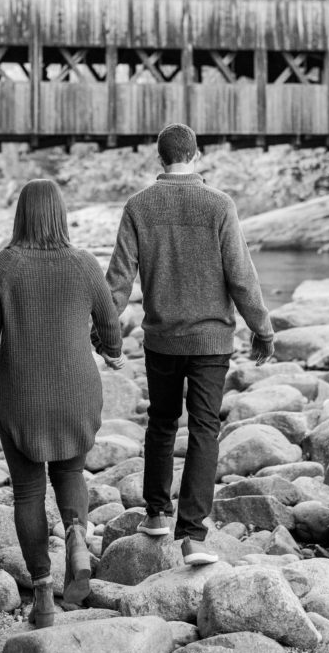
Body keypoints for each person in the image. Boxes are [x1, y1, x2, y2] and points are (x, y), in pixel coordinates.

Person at [0, 179, 123, 628]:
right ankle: (76, 537)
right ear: (61, 215)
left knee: (28, 492)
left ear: (21, 215)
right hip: (77, 394)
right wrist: (112, 351)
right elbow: (110, 321)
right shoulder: (84, 264)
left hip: (22, 397)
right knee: (70, 472)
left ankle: (43, 594)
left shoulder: (3, 266)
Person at [106, 123, 274, 566]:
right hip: (211, 339)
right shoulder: (219, 204)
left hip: (162, 338)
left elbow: (118, 280)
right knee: (203, 429)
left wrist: (105, 332)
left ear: (160, 159)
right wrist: (262, 327)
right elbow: (241, 273)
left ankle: (157, 513)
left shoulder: (138, 206)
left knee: (161, 423)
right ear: (196, 156)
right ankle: (194, 536)